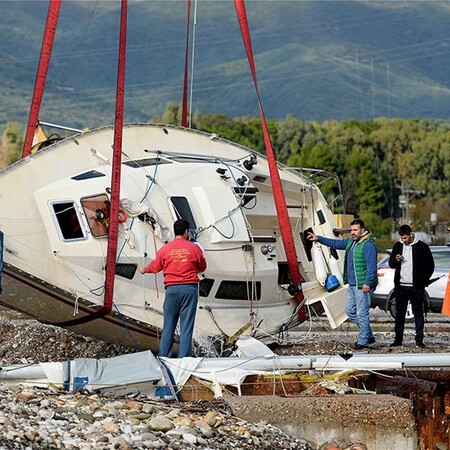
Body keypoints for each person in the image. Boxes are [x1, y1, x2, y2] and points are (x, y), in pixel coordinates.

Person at [139, 219, 207, 357]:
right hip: (189, 290)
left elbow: (155, 266)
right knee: (186, 327)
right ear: (186, 232)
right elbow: (202, 267)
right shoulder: (194, 248)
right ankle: (184, 359)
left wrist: (144, 269)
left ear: (175, 231)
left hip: (172, 291)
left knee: (168, 326)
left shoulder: (165, 249)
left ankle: (164, 358)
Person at [308, 218, 378, 350]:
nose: (352, 232)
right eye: (351, 230)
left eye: (355, 230)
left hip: (362, 285)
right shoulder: (351, 242)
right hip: (352, 284)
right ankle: (368, 334)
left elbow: (372, 267)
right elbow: (335, 243)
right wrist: (319, 238)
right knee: (350, 311)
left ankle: (363, 341)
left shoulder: (368, 244)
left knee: (362, 313)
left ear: (362, 230)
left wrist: (367, 283)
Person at [388, 224, 434, 348]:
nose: (404, 240)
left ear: (411, 234)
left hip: (416, 287)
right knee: (400, 313)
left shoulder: (422, 247)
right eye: (402, 238)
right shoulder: (397, 246)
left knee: (418, 313)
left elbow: (430, 266)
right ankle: (398, 339)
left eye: (406, 238)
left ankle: (419, 340)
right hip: (401, 286)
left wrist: (423, 281)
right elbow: (391, 264)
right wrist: (396, 260)